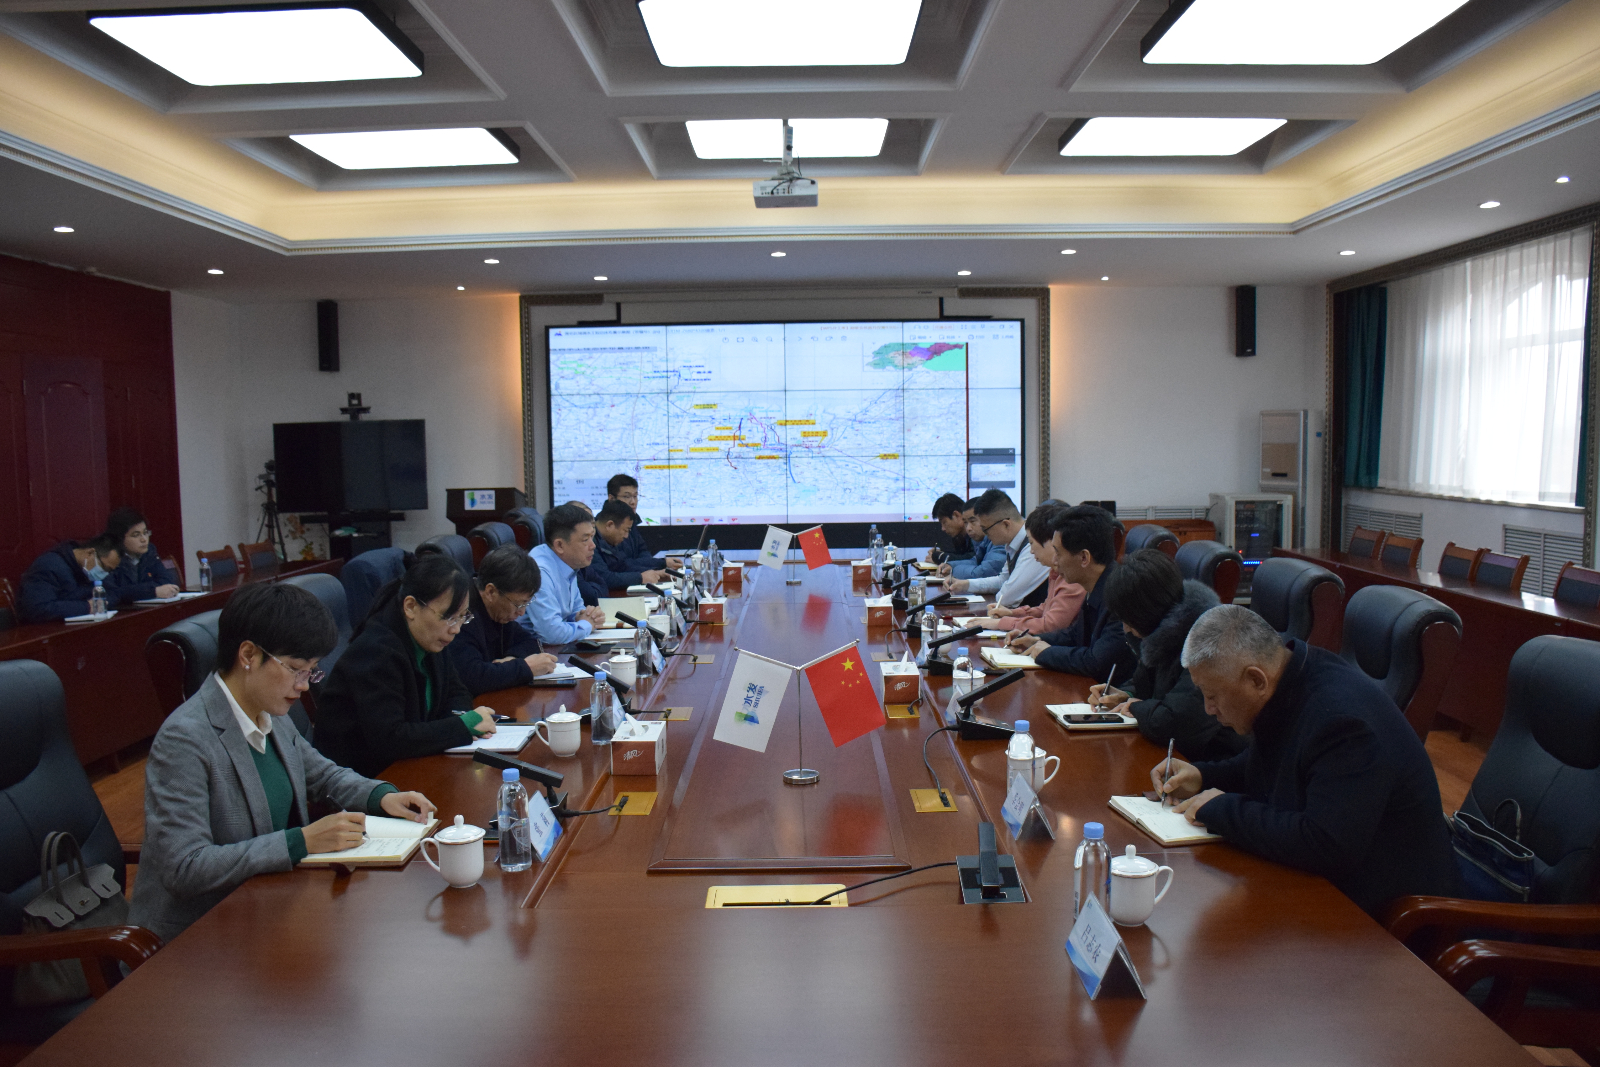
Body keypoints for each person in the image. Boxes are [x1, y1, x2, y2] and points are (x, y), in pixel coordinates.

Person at [130, 582, 436, 943]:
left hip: (266, 908)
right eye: (296, 669)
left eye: (311, 671)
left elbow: (322, 774)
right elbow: (185, 867)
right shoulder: (185, 739)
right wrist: (299, 842)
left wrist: (380, 796)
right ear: (248, 654)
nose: (304, 685)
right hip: (199, 938)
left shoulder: (267, 709)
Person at [1152, 604, 1459, 917]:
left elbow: (1325, 844)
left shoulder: (1342, 723)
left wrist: (1223, 809)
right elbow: (1272, 764)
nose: (1208, 709)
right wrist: (1203, 776)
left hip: (1386, 917)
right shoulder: (1291, 676)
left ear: (1256, 680)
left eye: (1212, 695)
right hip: (1329, 887)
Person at [314, 554, 498, 778]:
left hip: (410, 764)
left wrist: (456, 721)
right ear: (410, 607)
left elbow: (457, 691)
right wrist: (461, 726)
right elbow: (390, 739)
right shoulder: (375, 653)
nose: (456, 629)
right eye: (449, 617)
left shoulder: (429, 638)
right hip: (363, 779)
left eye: (462, 617)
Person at [1090, 549, 1245, 762]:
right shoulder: (1162, 632)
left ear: (1144, 613)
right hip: (1178, 756)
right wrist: (1124, 694)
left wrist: (1134, 707)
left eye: (1128, 619)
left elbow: (1174, 723)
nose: (1126, 628)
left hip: (1212, 762)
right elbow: (1149, 685)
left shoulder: (1206, 642)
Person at [1010, 505, 1137, 681]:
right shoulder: (1096, 583)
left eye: (1058, 552)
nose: (1054, 560)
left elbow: (1096, 662)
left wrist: (1046, 653)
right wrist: (1035, 639)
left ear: (1084, 558)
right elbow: (1075, 634)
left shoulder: (1120, 596)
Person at [447, 544, 558, 695]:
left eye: (526, 604)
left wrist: (512, 659)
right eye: (518, 604)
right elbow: (472, 677)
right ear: (491, 592)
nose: (521, 612)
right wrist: (525, 667)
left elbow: (529, 641)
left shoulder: (499, 613)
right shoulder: (463, 614)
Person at [983, 504, 1085, 636]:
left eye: (1031, 543)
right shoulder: (1056, 571)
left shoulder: (1073, 575)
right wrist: (1012, 613)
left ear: (1053, 542)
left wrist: (1001, 623)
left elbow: (1051, 625)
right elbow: (1047, 608)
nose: (1031, 551)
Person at [522, 503, 608, 645]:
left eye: (592, 537)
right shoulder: (540, 573)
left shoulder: (567, 563)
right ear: (560, 545)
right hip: (532, 649)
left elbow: (575, 611)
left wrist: (589, 616)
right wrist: (587, 624)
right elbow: (552, 634)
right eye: (585, 539)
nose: (593, 546)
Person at [947, 491, 1050, 608]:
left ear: (1006, 524)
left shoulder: (1033, 547)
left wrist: (1000, 592)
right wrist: (966, 585)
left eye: (986, 529)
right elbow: (1003, 580)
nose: (985, 535)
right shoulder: (1013, 544)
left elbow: (1006, 597)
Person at [17, 535, 123, 623]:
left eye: (110, 571)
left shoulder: (88, 570)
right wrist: (87, 606)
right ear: (90, 553)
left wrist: (99, 604)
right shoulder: (49, 566)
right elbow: (38, 608)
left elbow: (113, 593)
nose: (105, 574)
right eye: (104, 568)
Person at [605, 473, 681, 574]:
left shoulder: (632, 521)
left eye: (635, 496)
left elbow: (643, 552)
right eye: (627, 496)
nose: (633, 502)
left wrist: (653, 567)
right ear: (612, 499)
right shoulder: (608, 526)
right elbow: (623, 564)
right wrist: (661, 564)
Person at [103, 507, 180, 601]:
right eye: (136, 535)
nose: (144, 539)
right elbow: (114, 593)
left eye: (145, 533)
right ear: (119, 539)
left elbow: (167, 581)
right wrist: (152, 591)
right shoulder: (108, 557)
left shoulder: (149, 551)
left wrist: (140, 591)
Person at [593, 499, 669, 589]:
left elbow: (623, 566)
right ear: (610, 525)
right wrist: (640, 578)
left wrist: (654, 572)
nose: (626, 536)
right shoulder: (590, 542)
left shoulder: (608, 540)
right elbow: (605, 578)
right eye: (626, 530)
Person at [938, 497, 1004, 581]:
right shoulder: (983, 541)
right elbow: (976, 561)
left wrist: (953, 570)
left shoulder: (1001, 540)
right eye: (965, 522)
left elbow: (982, 573)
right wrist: (950, 565)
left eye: (973, 521)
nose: (968, 528)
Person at [925, 493, 972, 565]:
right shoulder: (960, 537)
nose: (943, 528)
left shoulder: (975, 533)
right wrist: (941, 554)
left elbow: (972, 559)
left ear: (957, 515)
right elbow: (961, 556)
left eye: (944, 522)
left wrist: (940, 557)